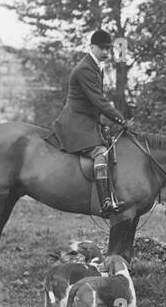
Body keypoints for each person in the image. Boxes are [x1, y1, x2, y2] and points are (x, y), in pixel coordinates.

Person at [50, 29, 132, 215]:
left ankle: (112, 194)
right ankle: (104, 202)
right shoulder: (85, 69)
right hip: (75, 123)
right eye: (102, 48)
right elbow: (99, 101)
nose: (105, 52)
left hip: (86, 121)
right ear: (92, 47)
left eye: (108, 49)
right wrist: (121, 120)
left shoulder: (96, 67)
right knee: (100, 152)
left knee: (111, 145)